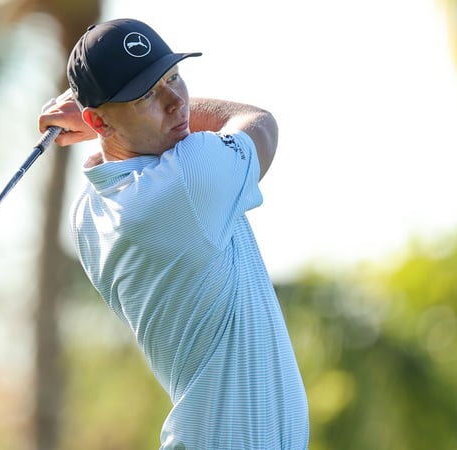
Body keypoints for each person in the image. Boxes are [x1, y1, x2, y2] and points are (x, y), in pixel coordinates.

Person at [38, 18, 309, 449]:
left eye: (173, 78)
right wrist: (99, 122)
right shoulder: (184, 184)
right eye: (147, 94)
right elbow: (259, 124)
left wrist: (111, 118)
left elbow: (131, 148)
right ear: (99, 123)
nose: (176, 101)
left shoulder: (89, 214)